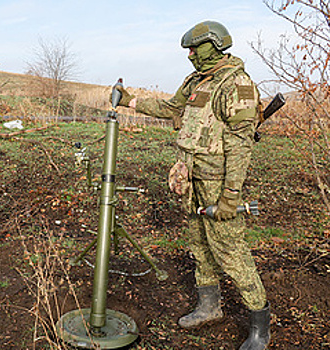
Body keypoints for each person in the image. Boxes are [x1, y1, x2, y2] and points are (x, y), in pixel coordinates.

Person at [115, 21, 270, 350]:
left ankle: (260, 328)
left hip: (219, 183)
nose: (189, 55)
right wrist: (130, 101)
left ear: (212, 45)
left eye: (193, 48)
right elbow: (171, 109)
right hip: (191, 178)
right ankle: (209, 307)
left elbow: (241, 144)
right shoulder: (196, 81)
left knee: (231, 252)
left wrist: (231, 195)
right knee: (199, 246)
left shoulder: (236, 83)